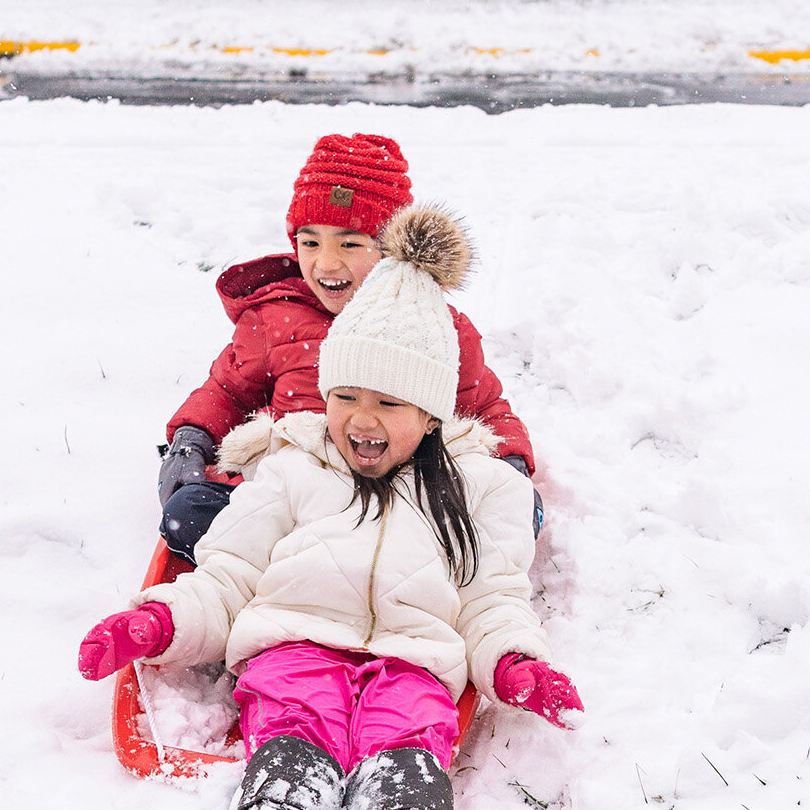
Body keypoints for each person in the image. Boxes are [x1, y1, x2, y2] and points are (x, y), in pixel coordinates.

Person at [81, 205, 580, 810]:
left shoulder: (475, 491)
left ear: (435, 413)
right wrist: (158, 621)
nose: (361, 419)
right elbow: (228, 575)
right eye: (345, 396)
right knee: (290, 716)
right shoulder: (292, 466)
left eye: (388, 403)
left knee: (409, 737)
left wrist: (512, 662)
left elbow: (489, 599)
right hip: (295, 642)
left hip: (411, 656)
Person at [158, 131, 542, 563]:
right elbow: (226, 391)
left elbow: (486, 408)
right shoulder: (275, 320)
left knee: (487, 518)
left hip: (400, 506)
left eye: (349, 242)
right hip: (294, 503)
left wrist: (511, 468)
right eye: (310, 242)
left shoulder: (433, 327)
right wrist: (190, 441)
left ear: (392, 249)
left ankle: (330, 569)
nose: (325, 262)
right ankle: (331, 569)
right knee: (189, 513)